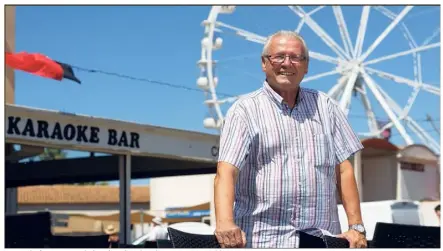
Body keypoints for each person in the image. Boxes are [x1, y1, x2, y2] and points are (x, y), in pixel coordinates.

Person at [214, 30, 367, 248]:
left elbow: (343, 170)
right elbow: (226, 171)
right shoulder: (244, 111)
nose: (287, 63)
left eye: (295, 57)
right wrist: (225, 223)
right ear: (264, 63)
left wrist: (356, 227)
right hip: (264, 240)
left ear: (306, 66)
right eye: (278, 57)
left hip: (322, 239)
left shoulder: (326, 107)